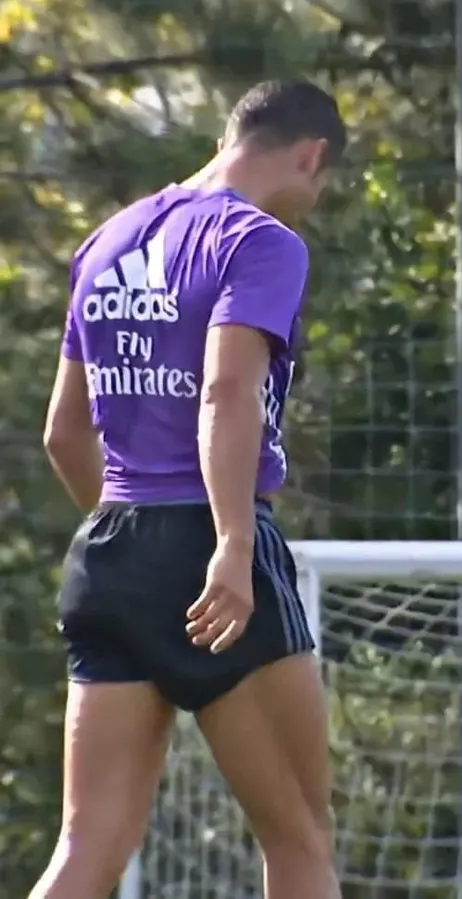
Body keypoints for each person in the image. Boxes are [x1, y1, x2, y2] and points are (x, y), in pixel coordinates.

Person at [35, 80, 345, 899]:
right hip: (211, 551)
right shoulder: (262, 242)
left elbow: (64, 433)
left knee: (86, 847)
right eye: (321, 184)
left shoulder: (110, 239)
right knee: (300, 839)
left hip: (109, 548)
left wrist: (138, 546)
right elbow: (226, 392)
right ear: (311, 156)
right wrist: (230, 545)